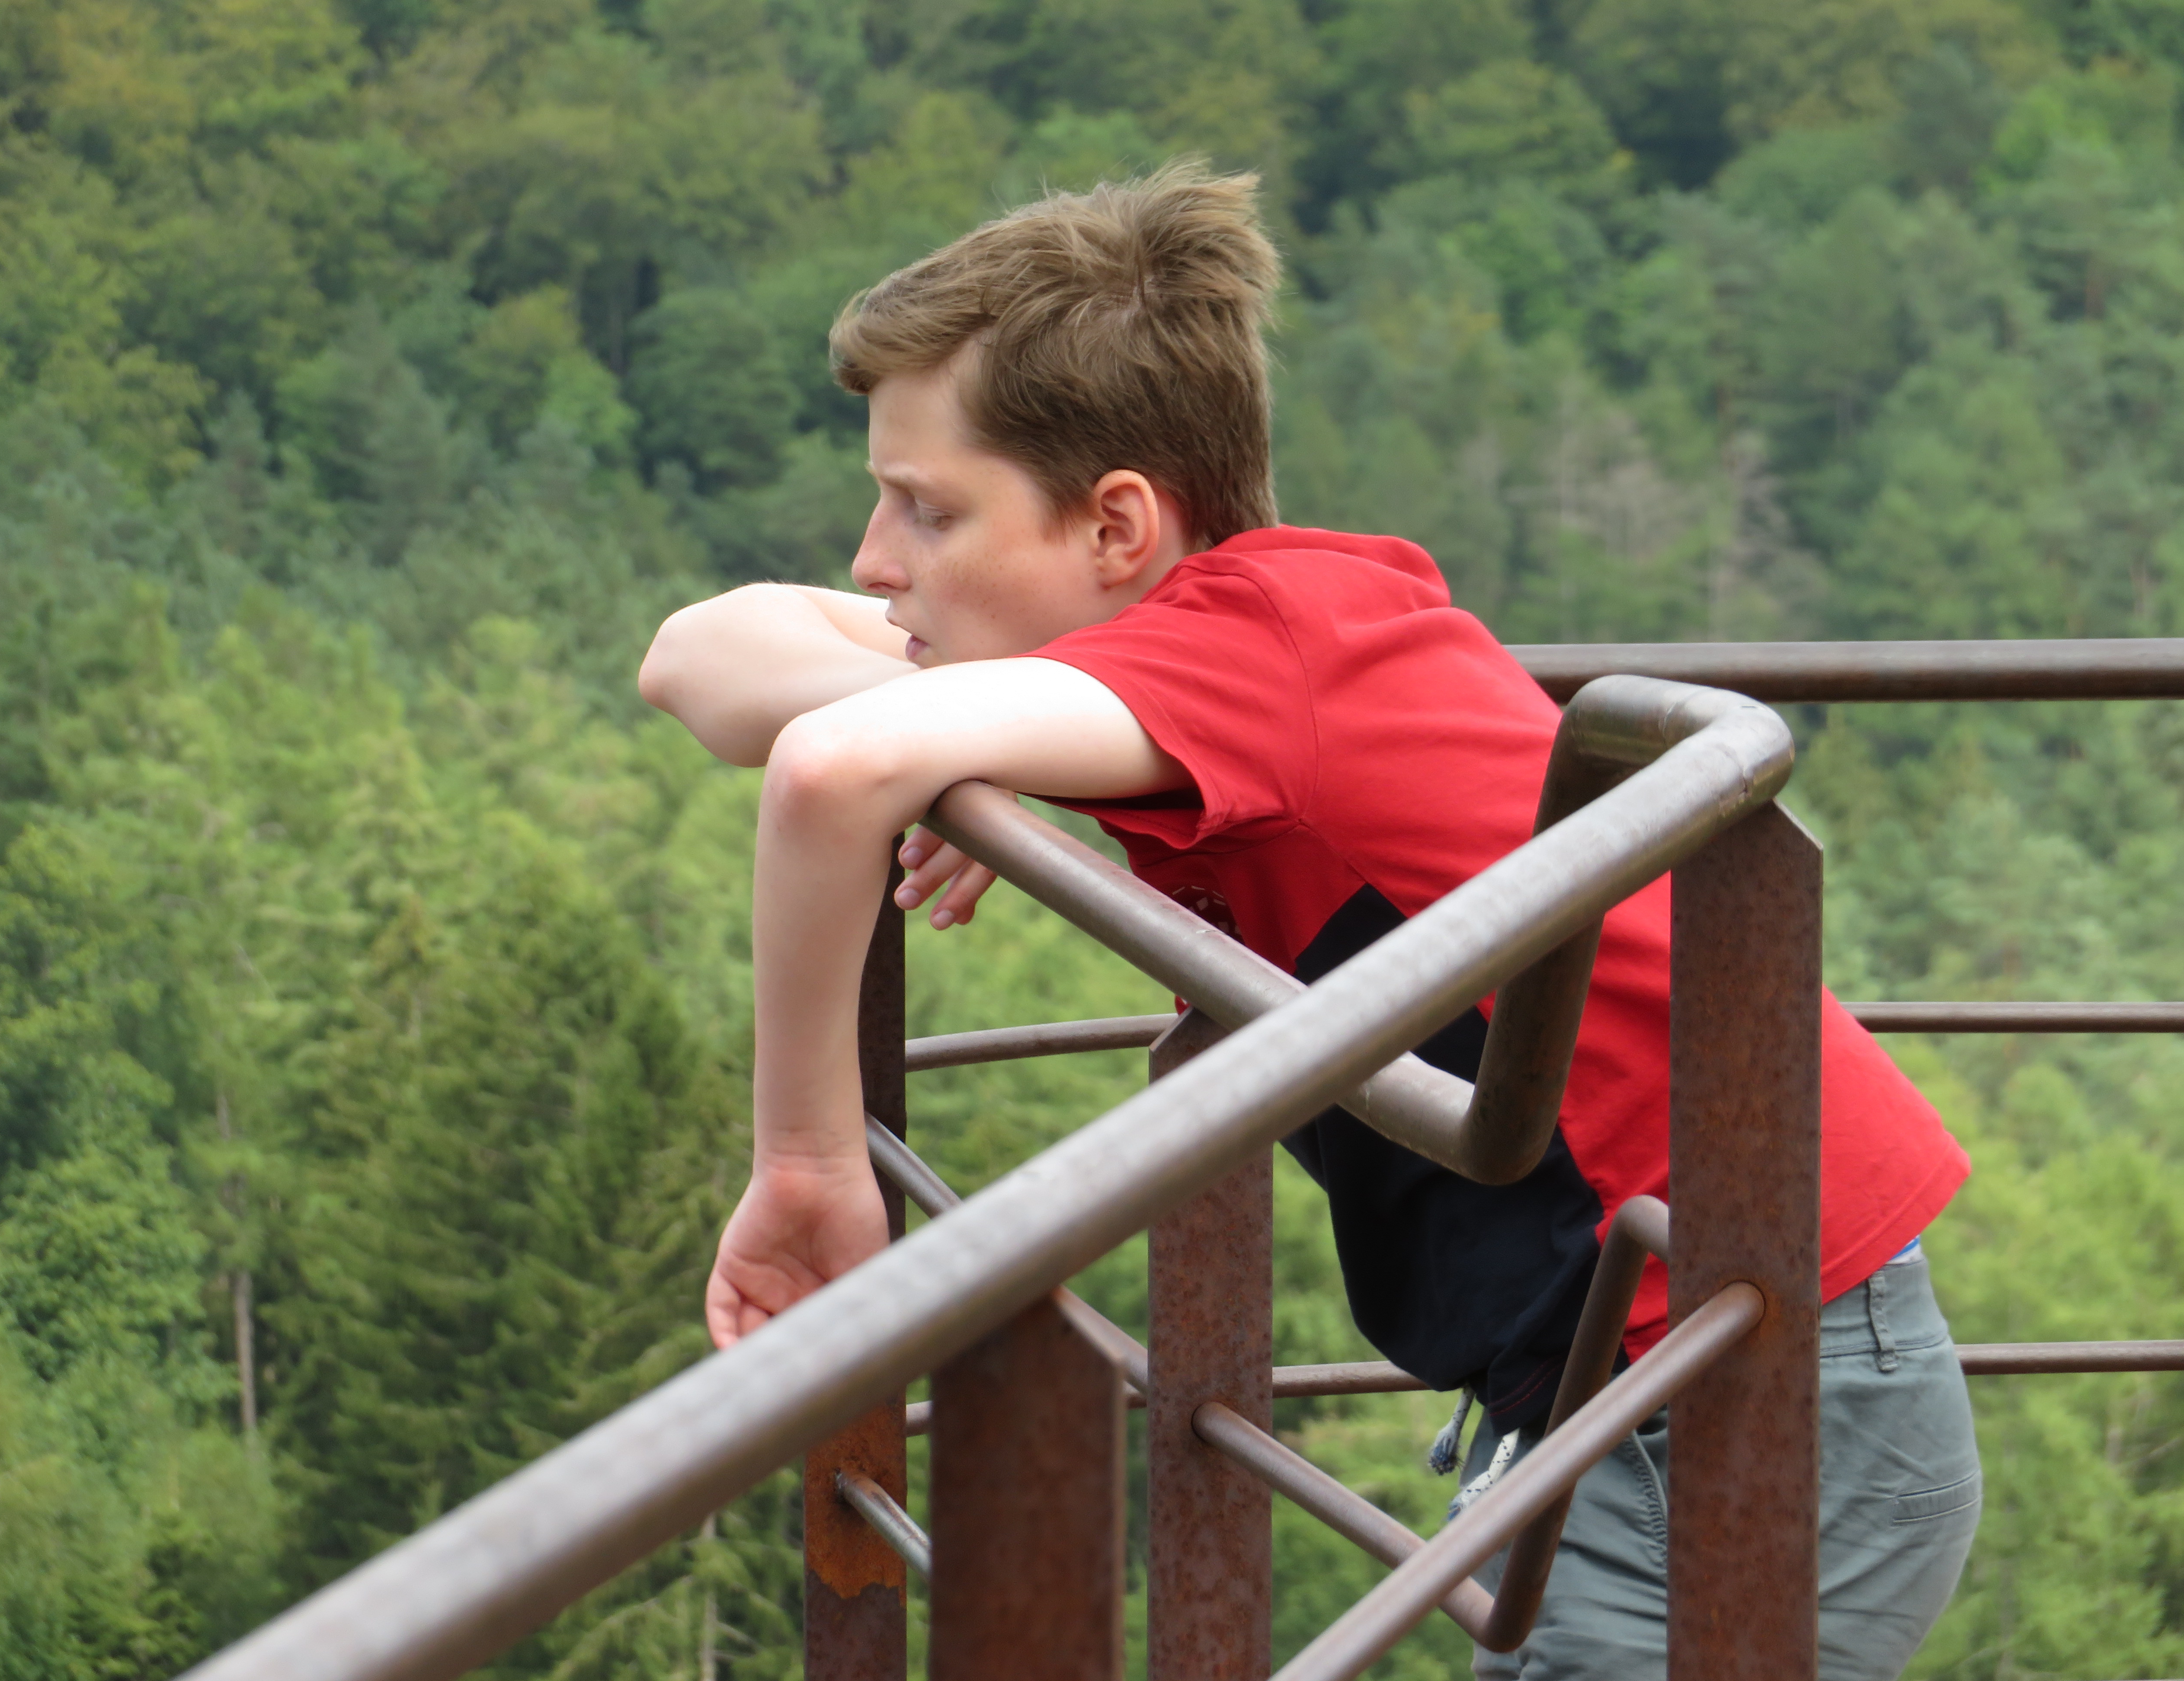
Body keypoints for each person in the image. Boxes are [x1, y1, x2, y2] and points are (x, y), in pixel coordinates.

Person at [636, 162, 1982, 1679]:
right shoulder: (1270, 633)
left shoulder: (1255, 656)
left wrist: (810, 1167)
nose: (875, 562)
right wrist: (971, 734)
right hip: (1695, 1355)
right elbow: (700, 654)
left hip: (1749, 1379)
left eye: (929, 511)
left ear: (1119, 525)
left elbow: (824, 765)